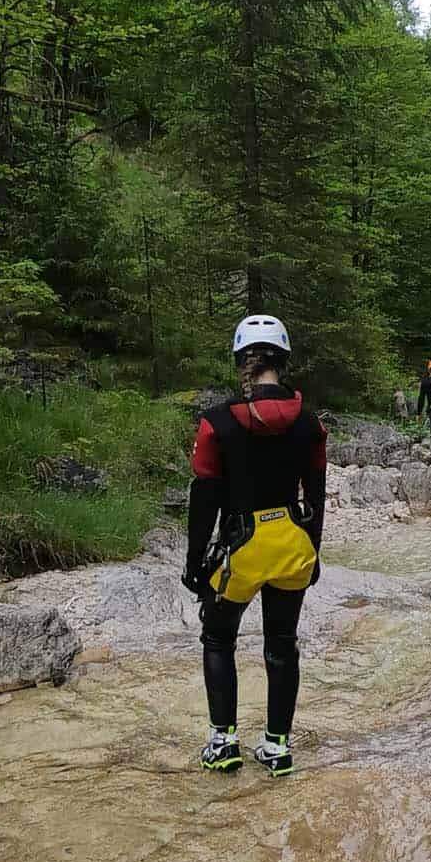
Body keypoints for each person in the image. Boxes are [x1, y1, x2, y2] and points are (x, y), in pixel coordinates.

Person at [183, 315, 326, 778]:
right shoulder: (309, 425)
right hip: (292, 543)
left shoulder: (218, 422)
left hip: (241, 546)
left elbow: (204, 495)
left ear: (243, 361)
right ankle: (278, 747)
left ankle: (224, 743)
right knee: (282, 645)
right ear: (282, 361)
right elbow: (316, 495)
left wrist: (194, 563)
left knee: (218, 638)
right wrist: (316, 553)